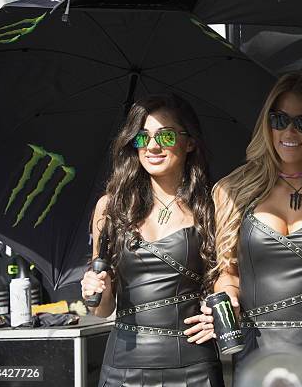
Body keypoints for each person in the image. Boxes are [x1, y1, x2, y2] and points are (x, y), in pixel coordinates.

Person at [185, 72, 302, 386]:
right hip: (259, 355)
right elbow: (225, 271)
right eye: (279, 119)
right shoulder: (233, 190)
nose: (289, 132)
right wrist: (229, 297)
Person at [80, 93, 224, 387]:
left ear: (190, 142)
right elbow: (102, 310)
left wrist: (220, 317)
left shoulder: (212, 206)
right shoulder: (110, 207)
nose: (153, 146)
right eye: (142, 138)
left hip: (193, 366)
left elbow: (232, 281)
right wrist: (95, 289)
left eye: (166, 136)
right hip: (122, 367)